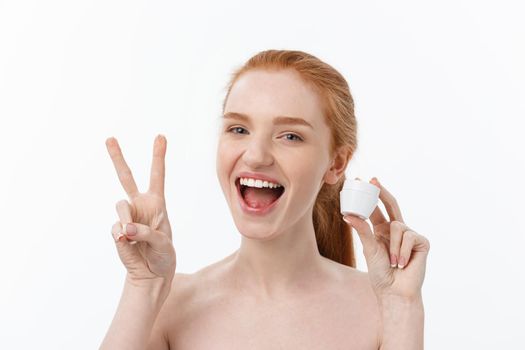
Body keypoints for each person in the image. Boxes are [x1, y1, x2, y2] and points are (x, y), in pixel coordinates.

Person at [100, 49, 430, 350]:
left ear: (336, 163)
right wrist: (143, 287)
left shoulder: (381, 307)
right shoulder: (168, 305)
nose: (256, 156)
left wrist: (402, 307)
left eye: (290, 136)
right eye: (239, 130)